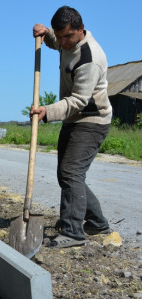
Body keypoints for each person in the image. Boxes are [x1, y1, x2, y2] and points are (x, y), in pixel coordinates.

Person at [31, 6, 113, 248]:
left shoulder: (90, 59)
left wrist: (48, 111)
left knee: (71, 174)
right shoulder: (66, 42)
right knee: (66, 175)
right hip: (73, 119)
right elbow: (57, 42)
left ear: (81, 29)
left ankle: (73, 232)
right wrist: (46, 35)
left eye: (68, 36)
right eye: (61, 35)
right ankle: (97, 223)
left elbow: (79, 101)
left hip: (91, 120)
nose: (64, 42)